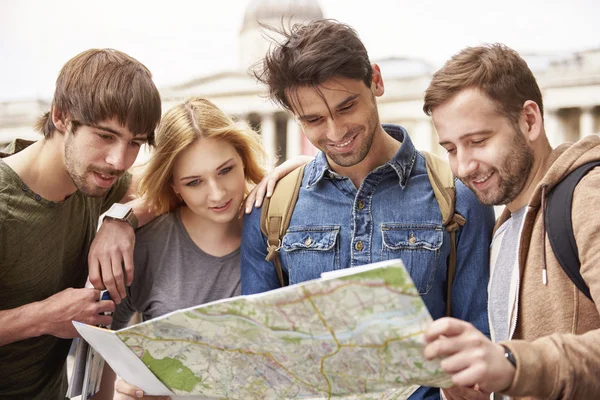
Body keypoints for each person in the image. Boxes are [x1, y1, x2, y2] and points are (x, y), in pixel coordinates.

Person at [240, 19, 495, 400]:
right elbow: (259, 355)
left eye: (347, 107)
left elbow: (480, 337)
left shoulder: (458, 197)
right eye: (313, 119)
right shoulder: (272, 208)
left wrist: (467, 385)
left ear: (375, 80)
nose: (336, 131)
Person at [422, 43, 600, 399]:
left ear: (529, 120)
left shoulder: (588, 196)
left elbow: (521, 364)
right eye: (452, 149)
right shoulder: (502, 225)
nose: (463, 167)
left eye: (478, 141)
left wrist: (511, 362)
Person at [0, 49, 161, 399]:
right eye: (105, 136)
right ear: (61, 116)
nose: (118, 160)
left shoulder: (95, 181)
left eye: (134, 143)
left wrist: (123, 219)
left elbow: (175, 186)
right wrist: (41, 316)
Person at [92, 97, 268, 400]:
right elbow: (103, 344)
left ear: (243, 158)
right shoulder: (145, 246)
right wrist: (124, 391)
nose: (216, 194)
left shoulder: (278, 228)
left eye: (225, 170)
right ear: (174, 185)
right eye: (194, 182)